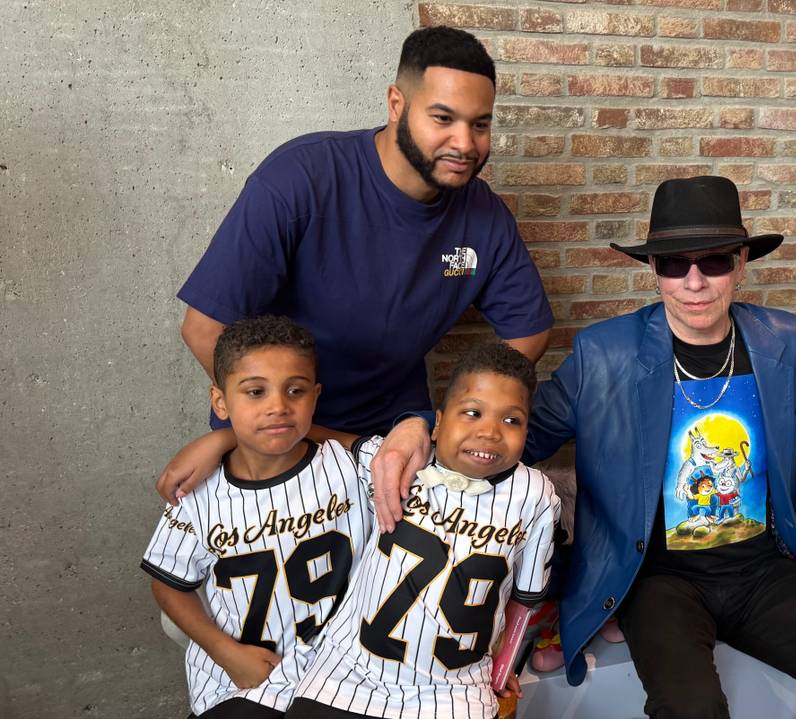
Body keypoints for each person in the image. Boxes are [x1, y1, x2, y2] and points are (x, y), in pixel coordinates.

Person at [378, 176, 796, 718]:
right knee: (692, 710)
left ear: (740, 263)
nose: (694, 281)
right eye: (673, 263)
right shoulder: (605, 354)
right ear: (652, 269)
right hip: (656, 577)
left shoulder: (785, 342)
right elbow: (519, 433)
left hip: (764, 566)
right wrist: (420, 427)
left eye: (714, 260)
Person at [159, 25, 552, 504]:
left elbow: (528, 331)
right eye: (443, 118)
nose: (465, 143)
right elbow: (203, 328)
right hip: (276, 438)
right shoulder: (299, 179)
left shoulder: (484, 215)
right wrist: (253, 430)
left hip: (396, 441)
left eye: (481, 124)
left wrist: (441, 422)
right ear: (396, 104)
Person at [286, 342, 560, 719]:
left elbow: (525, 600)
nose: (490, 432)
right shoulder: (392, 461)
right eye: (472, 413)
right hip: (346, 675)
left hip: (454, 692)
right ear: (438, 422)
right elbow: (300, 433)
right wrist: (223, 439)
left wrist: (503, 666)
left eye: (511, 420)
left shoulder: (535, 494)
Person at [141, 316, 373, 718]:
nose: (278, 406)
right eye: (255, 392)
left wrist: (228, 433)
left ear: (315, 397)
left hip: (344, 676)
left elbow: (407, 453)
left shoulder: (353, 468)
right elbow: (168, 584)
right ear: (221, 401)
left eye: (295, 391)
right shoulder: (199, 490)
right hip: (241, 679)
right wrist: (224, 651)